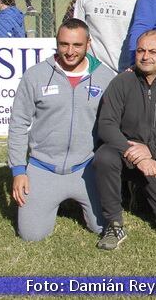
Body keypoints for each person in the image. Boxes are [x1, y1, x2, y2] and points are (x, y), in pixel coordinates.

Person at [7, 19, 115, 241]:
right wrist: (18, 171)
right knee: (31, 236)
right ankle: (48, 199)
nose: (70, 51)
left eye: (77, 45)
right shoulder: (36, 75)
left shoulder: (106, 77)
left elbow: (115, 126)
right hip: (43, 166)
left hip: (86, 167)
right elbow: (18, 123)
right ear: (56, 43)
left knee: (102, 227)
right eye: (64, 44)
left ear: (88, 43)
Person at [94, 30, 156, 249]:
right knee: (104, 157)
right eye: (141, 50)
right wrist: (137, 156)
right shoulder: (122, 82)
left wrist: (151, 150)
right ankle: (113, 222)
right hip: (125, 155)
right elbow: (107, 125)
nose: (145, 56)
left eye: (153, 51)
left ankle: (140, 190)